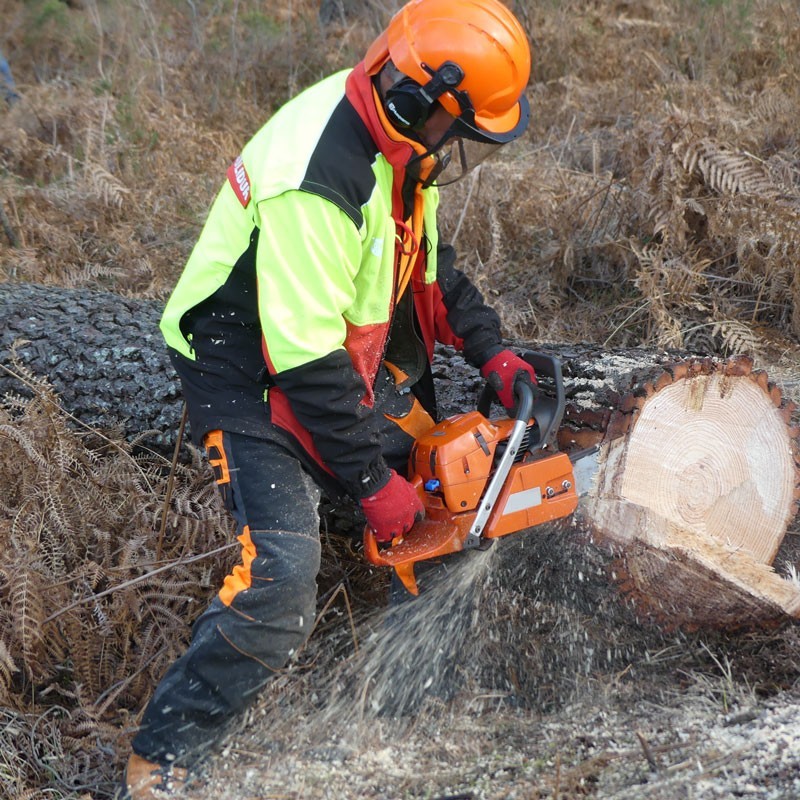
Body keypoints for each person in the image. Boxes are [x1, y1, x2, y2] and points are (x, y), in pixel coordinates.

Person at [124, 0, 536, 796]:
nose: (458, 150)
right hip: (244, 365)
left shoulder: (401, 148)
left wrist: (493, 350)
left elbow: (427, 266)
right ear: (424, 103)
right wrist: (372, 483)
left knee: (454, 492)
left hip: (337, 347)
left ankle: (406, 694)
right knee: (280, 577)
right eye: (462, 130)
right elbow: (304, 361)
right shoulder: (319, 178)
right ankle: (163, 757)